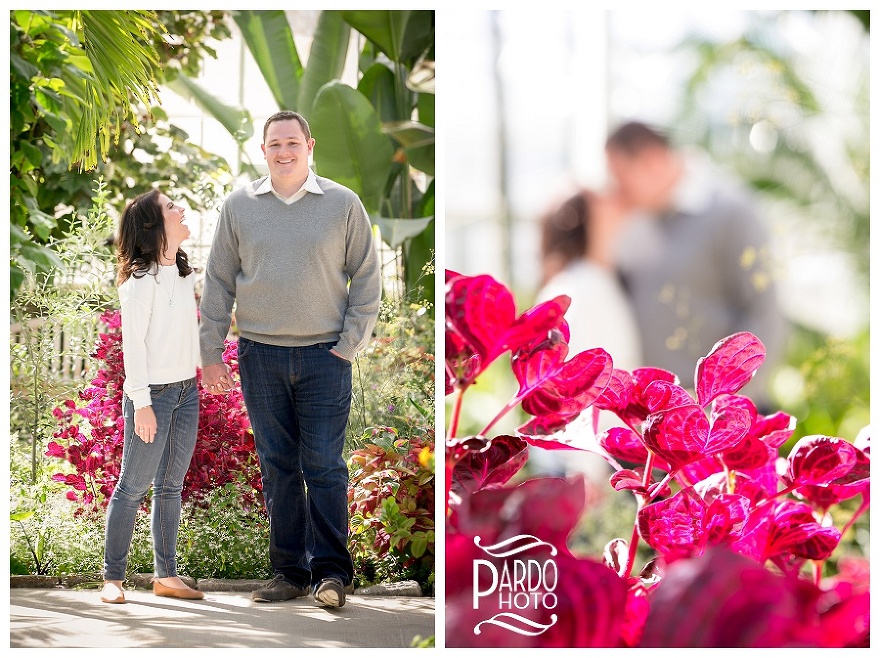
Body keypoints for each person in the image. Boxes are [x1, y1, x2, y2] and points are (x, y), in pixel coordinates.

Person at [199, 110, 382, 609]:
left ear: (310, 145)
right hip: (260, 355)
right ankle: (289, 573)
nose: (283, 152)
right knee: (278, 466)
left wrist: (348, 345)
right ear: (263, 151)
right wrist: (211, 352)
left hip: (326, 356)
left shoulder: (342, 204)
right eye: (274, 144)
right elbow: (218, 282)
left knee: (323, 465)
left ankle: (331, 574)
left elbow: (367, 279)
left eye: (292, 143)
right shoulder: (239, 206)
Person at [605, 121, 786, 409]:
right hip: (658, 423)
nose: (617, 193)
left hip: (722, 423)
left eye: (622, 179)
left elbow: (765, 314)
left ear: (652, 160)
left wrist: (724, 407)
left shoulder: (732, 213)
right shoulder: (632, 224)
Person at [101, 189, 204, 604]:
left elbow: (182, 336)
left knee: (171, 487)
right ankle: (113, 578)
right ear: (153, 225)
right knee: (132, 486)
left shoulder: (184, 275)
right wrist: (142, 404)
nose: (181, 209)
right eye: (171, 207)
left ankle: (166, 576)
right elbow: (134, 347)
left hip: (186, 392)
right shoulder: (139, 284)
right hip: (153, 397)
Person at [529, 189, 643, 477]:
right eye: (608, 207)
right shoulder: (582, 287)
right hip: (584, 463)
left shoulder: (594, 281)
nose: (621, 213)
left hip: (592, 457)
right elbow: (579, 384)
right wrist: (585, 471)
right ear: (588, 223)